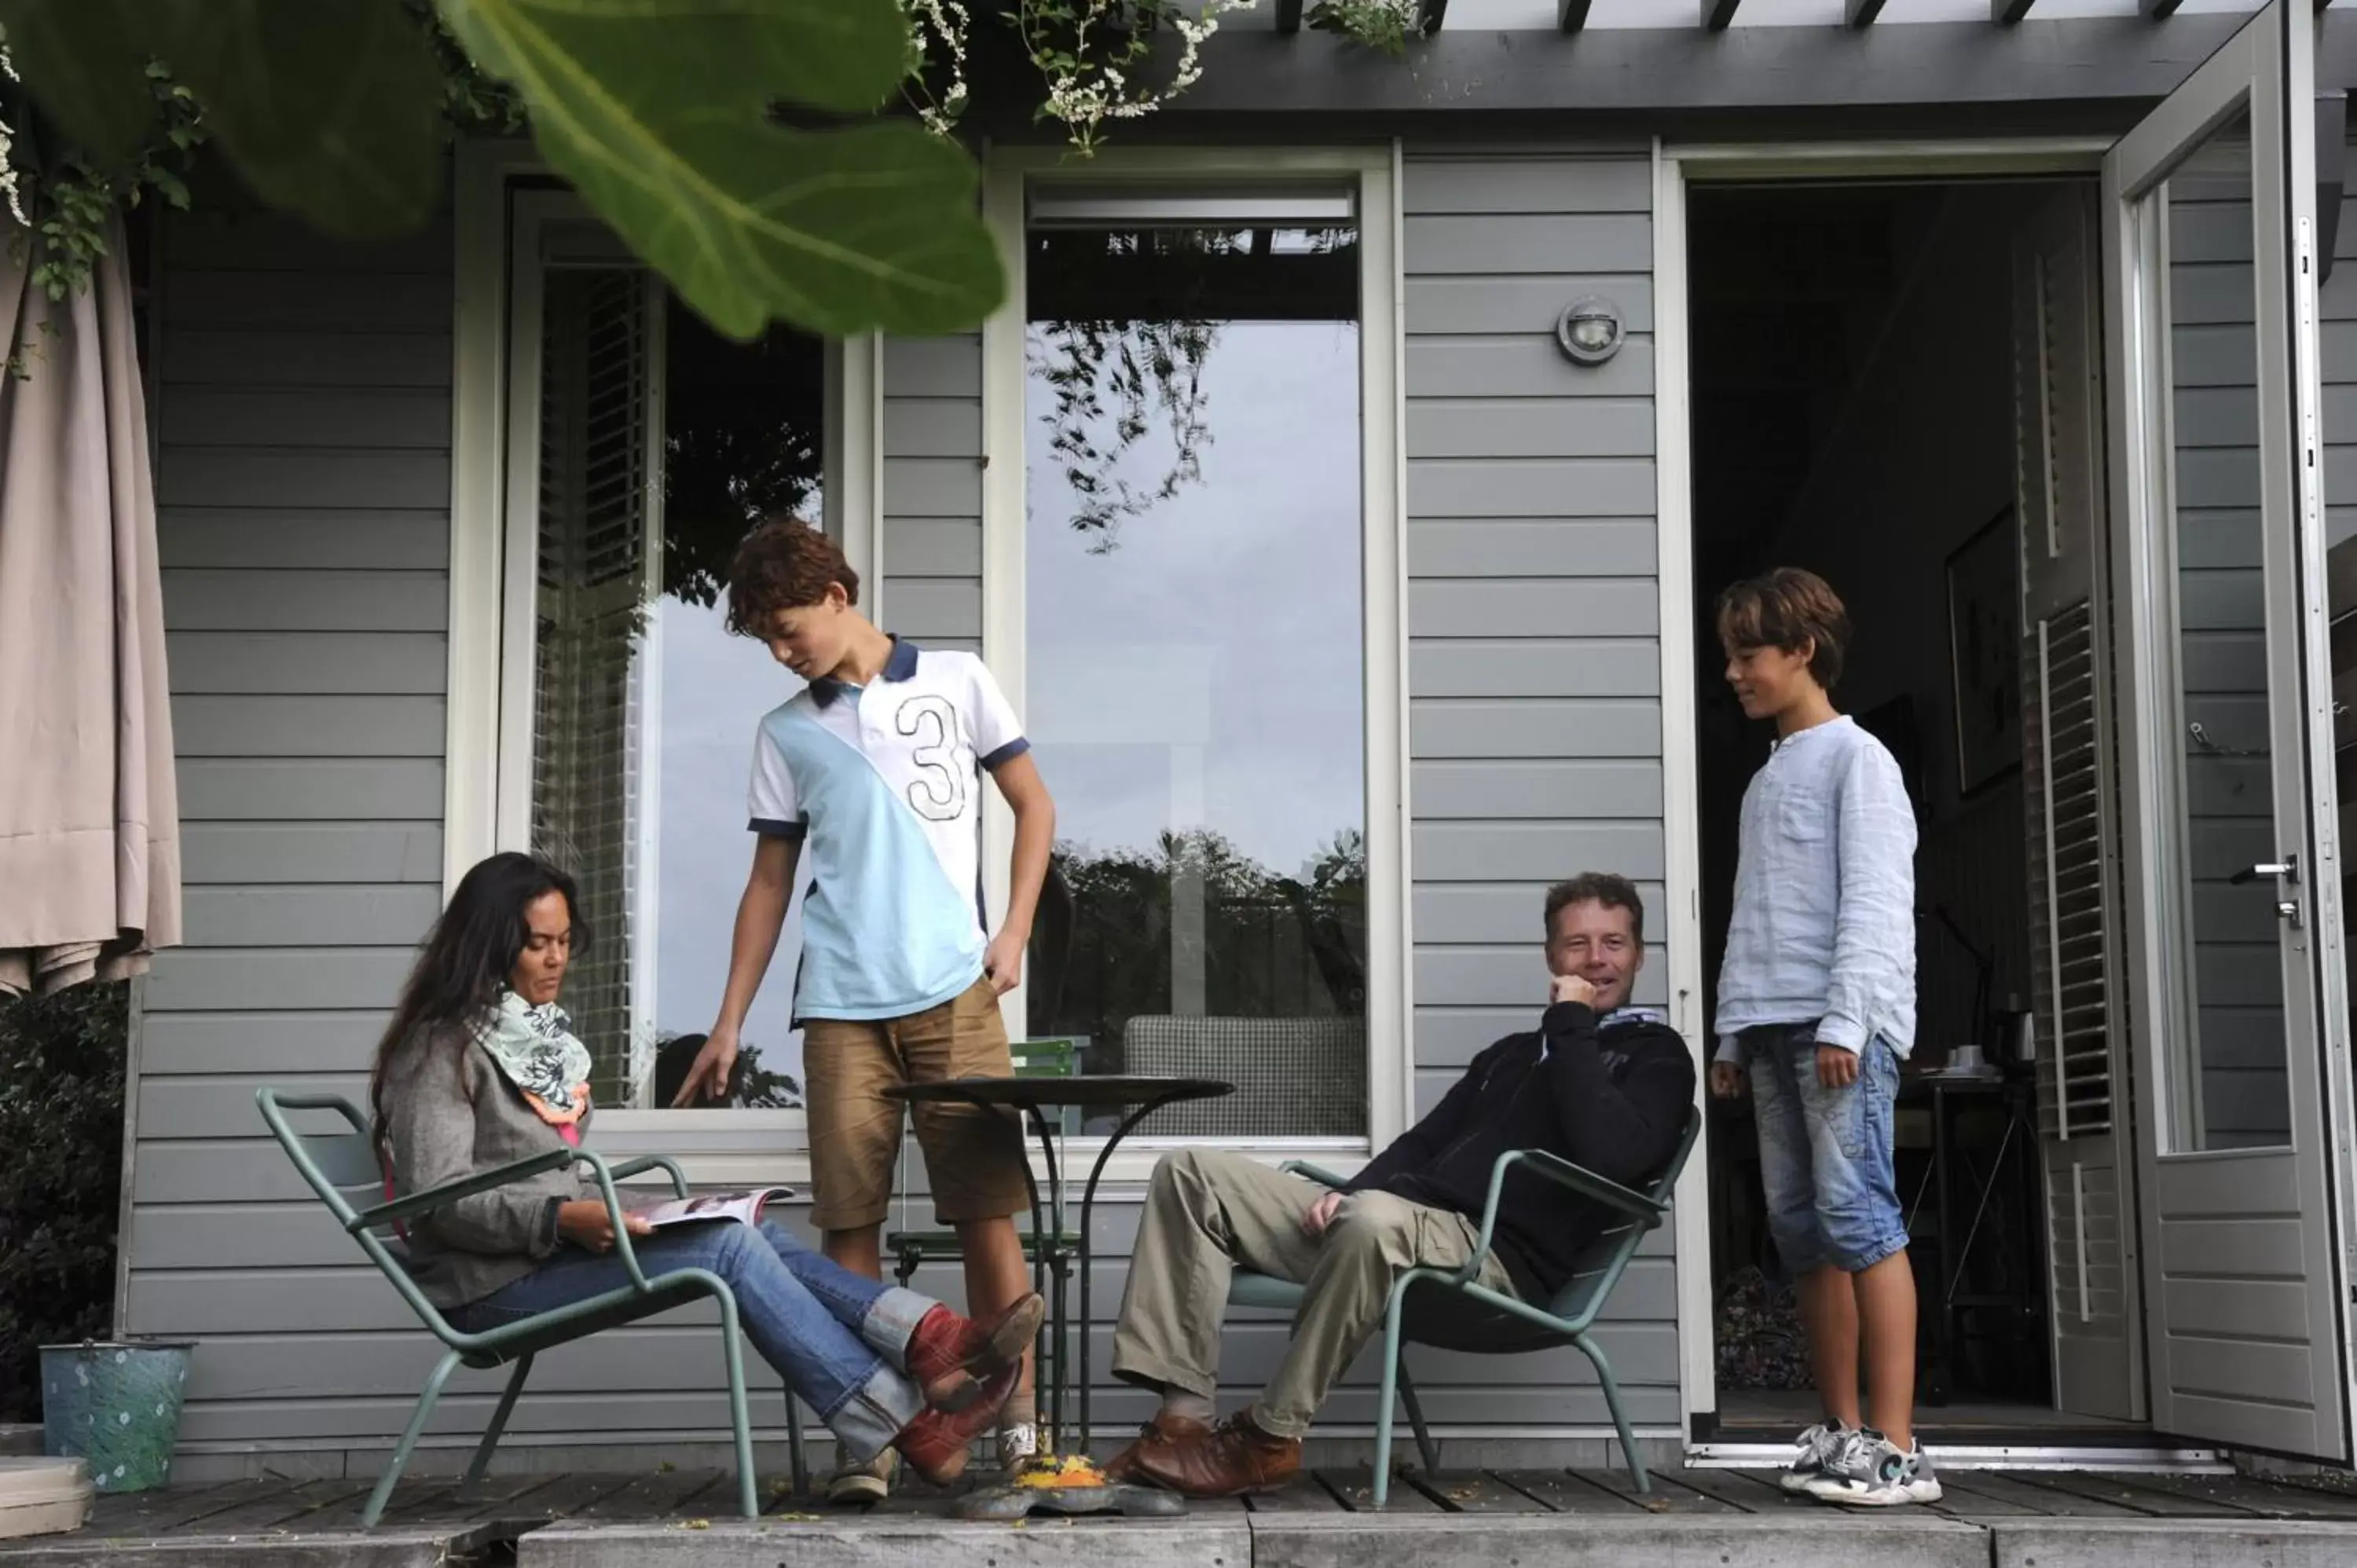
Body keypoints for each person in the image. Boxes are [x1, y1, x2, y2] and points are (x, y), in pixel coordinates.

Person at [369, 852, 1045, 1486]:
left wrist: (624, 1212)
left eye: (565, 941)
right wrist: (560, 1217)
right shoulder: (443, 1048)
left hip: (546, 1254)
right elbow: (437, 1203)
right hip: (490, 1285)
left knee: (748, 1225)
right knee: (726, 1249)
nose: (555, 961)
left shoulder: (537, 1043)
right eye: (536, 943)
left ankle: (931, 1337)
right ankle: (909, 1417)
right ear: (489, 945)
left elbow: (545, 1174)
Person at [669, 519, 1057, 1501]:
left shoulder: (959, 680)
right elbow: (768, 883)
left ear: (837, 595)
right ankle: (872, 1438)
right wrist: (728, 1022)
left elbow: (1035, 806)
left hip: (956, 992)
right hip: (839, 1007)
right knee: (851, 1226)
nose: (780, 651)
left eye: (788, 628)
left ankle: (1018, 1431)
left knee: (986, 1213)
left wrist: (1012, 931)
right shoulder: (784, 732)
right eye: (765, 638)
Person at [1102, 874, 1694, 1498]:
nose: (1596, 960)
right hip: (1395, 1229)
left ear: (1640, 955)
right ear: (1551, 957)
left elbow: (1615, 1155)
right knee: (1190, 1173)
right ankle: (1182, 1430)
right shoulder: (1511, 1055)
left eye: (1614, 943)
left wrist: (1571, 1022)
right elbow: (1423, 1143)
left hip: (1494, 1258)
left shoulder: (1657, 1059)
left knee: (1374, 1220)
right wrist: (1354, 1190)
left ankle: (1269, 1439)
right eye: (1577, 945)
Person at [1706, 567, 1934, 1507]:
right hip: (1767, 1028)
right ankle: (1839, 1433)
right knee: (1802, 1230)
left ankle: (1896, 1445)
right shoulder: (1767, 779)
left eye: (1747, 654)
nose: (1733, 672)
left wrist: (1847, 1018)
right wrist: (1729, 1032)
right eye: (1728, 656)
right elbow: (1753, 912)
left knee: (1859, 1217)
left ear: (1803, 651)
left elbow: (1878, 899)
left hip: (1837, 1027)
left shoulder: (1858, 759)